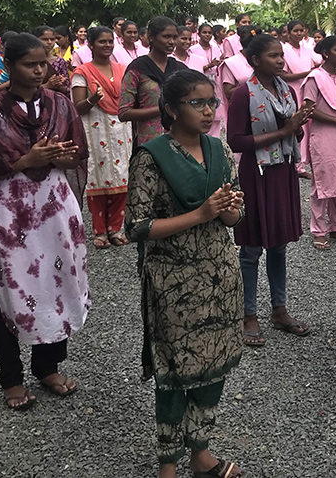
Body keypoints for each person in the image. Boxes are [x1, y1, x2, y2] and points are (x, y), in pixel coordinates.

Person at [125, 69, 244, 478]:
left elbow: (233, 216)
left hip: (221, 274)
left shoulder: (219, 149)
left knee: (214, 366)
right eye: (198, 103)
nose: (209, 110)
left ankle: (201, 453)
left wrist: (228, 210)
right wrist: (200, 213)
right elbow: (137, 227)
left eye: (212, 102)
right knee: (175, 372)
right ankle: (167, 466)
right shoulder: (152, 156)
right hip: (174, 280)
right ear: (172, 110)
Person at [0, 32, 90, 410]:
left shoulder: (61, 105)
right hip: (7, 214)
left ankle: (48, 366)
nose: (39, 71)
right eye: (29, 64)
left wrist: (64, 157)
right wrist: (25, 161)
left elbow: (77, 152)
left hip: (52, 208)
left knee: (56, 281)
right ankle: (11, 377)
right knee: (9, 289)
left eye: (44, 63)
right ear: (9, 63)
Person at [227, 35, 315, 348]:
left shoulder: (287, 90)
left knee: (278, 245)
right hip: (256, 174)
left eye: (281, 56)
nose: (280, 61)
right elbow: (235, 140)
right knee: (251, 249)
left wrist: (297, 124)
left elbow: (294, 133)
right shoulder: (243, 94)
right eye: (273, 56)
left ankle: (279, 309)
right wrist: (283, 130)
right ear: (255, 61)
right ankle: (247, 314)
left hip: (282, 172)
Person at [72, 27, 133, 249]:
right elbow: (78, 107)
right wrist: (93, 100)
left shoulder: (122, 69)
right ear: (91, 45)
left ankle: (116, 228)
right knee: (97, 177)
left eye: (109, 42)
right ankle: (100, 231)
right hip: (95, 129)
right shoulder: (82, 72)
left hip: (121, 129)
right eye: (101, 42)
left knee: (121, 177)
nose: (107, 46)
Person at [302, 35, 336, 250]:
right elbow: (308, 109)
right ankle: (318, 229)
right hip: (324, 135)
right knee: (322, 183)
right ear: (325, 53)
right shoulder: (315, 78)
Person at [119, 17, 188, 149]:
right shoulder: (137, 68)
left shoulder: (180, 69)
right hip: (150, 143)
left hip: (180, 141)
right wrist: (163, 109)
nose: (171, 42)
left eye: (174, 37)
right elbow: (124, 112)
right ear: (151, 37)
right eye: (166, 36)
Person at [33, 26, 71, 94]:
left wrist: (59, 84)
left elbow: (68, 89)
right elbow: (24, 89)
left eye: (52, 39)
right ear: (36, 40)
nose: (49, 42)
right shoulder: (30, 61)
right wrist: (47, 85)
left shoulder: (60, 62)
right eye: (45, 39)